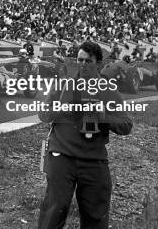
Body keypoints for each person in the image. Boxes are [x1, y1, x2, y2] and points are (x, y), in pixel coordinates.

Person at [38, 41, 132, 229]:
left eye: (87, 61)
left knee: (96, 215)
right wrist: (64, 107)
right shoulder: (63, 84)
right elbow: (43, 114)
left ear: (97, 63)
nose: (82, 64)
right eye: (79, 60)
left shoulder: (108, 89)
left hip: (93, 159)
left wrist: (102, 114)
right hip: (62, 155)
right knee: (55, 210)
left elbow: (126, 125)